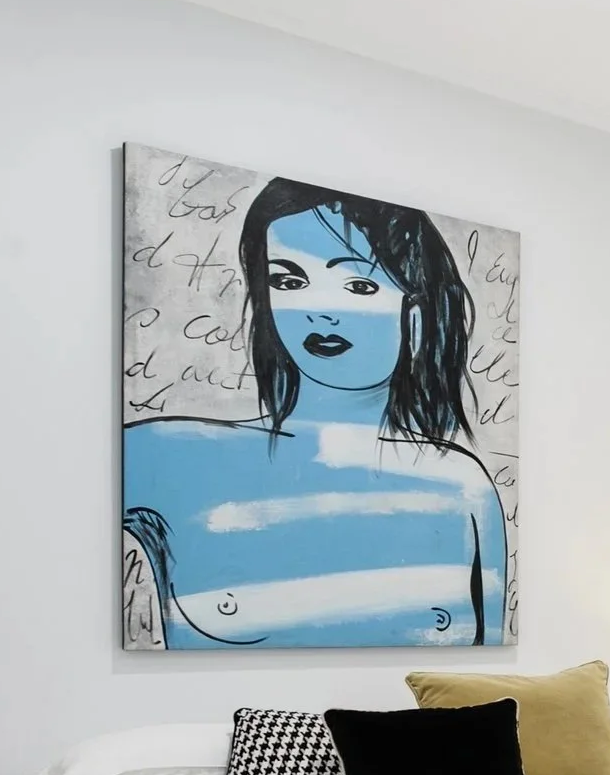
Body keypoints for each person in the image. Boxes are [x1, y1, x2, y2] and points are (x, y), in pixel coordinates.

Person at [122, 178, 509, 647]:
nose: (321, 312)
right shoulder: (167, 453)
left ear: (417, 314)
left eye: (360, 285)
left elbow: (488, 671)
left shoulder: (464, 487)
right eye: (289, 281)